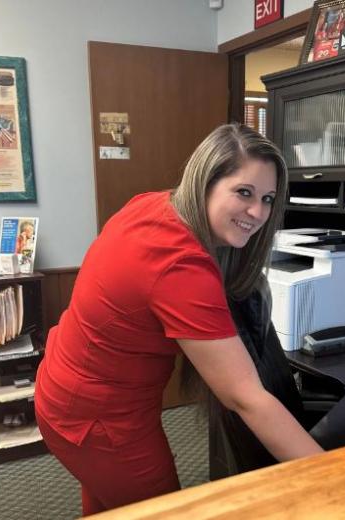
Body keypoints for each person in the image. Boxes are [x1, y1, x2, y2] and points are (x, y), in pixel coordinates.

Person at [34, 123, 323, 515]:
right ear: (206, 182)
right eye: (244, 192)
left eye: (268, 198)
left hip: (67, 390)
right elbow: (246, 397)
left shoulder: (154, 205)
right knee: (168, 510)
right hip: (98, 420)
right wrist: (332, 474)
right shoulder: (181, 265)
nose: (258, 212)